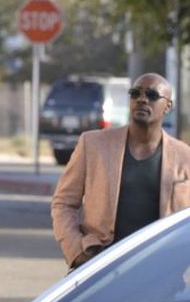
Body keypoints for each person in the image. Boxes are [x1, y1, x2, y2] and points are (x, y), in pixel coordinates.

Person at [52, 72, 190, 271]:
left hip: (160, 272)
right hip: (101, 265)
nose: (142, 99)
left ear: (167, 106)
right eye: (135, 93)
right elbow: (63, 202)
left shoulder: (185, 157)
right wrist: (75, 249)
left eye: (152, 95)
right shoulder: (93, 144)